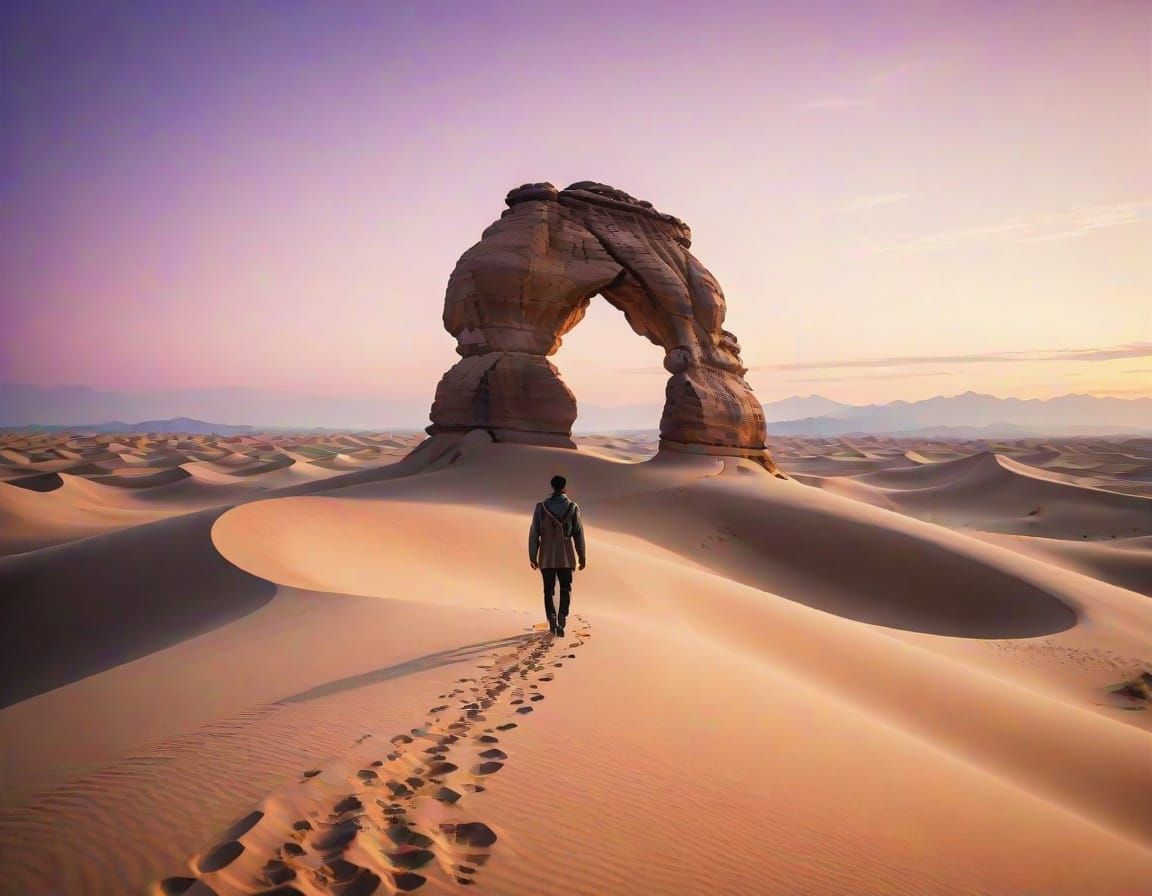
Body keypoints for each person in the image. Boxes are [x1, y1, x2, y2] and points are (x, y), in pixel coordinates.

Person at [528, 475, 586, 636]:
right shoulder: (573, 507)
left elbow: (534, 533)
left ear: (552, 487)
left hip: (546, 556)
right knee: (565, 588)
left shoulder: (541, 507)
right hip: (567, 557)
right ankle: (562, 616)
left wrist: (533, 556)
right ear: (564, 487)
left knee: (548, 590)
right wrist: (582, 556)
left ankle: (551, 617)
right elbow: (578, 533)